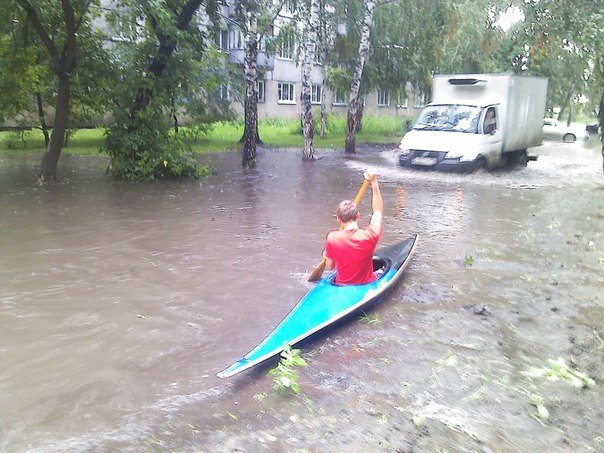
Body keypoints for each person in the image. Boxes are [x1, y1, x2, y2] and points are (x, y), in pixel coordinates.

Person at [323, 171, 383, 285]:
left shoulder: (332, 238)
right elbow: (378, 211)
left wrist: (325, 255)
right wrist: (374, 182)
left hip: (341, 285)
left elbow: (330, 266)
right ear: (358, 215)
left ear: (339, 220)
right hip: (366, 284)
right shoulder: (370, 235)